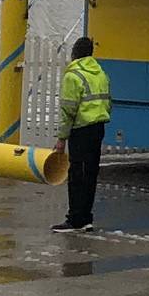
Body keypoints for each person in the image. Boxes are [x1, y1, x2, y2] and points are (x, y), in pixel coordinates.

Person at [53, 36, 110, 232]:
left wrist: (62, 138)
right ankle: (86, 217)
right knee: (91, 173)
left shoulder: (73, 76)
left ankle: (75, 219)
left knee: (77, 174)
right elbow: (108, 101)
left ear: (74, 53)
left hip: (81, 129)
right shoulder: (100, 73)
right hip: (98, 127)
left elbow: (68, 111)